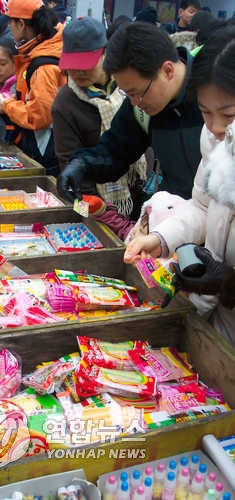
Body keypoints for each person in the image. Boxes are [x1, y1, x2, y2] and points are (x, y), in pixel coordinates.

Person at [124, 26, 235, 344]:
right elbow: (202, 206)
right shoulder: (213, 141)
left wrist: (229, 282)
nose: (214, 127)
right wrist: (162, 239)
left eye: (228, 116)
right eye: (204, 113)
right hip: (217, 319)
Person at [57, 22, 204, 204]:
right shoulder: (140, 106)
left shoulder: (215, 93)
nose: (134, 103)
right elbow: (116, 150)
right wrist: (82, 164)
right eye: (128, 94)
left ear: (167, 71)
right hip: (175, 217)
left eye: (136, 93)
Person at [52, 17, 146, 240]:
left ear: (104, 53)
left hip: (139, 189)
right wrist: (101, 211)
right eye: (72, 66)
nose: (78, 72)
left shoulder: (126, 85)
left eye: (85, 65)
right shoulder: (65, 102)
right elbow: (68, 158)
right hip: (99, 202)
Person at [0, 0, 66, 176]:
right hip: (51, 149)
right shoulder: (42, 51)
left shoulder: (42, 65)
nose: (9, 27)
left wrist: (8, 106)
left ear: (21, 24)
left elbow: (39, 116)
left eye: (10, 22)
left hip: (49, 154)